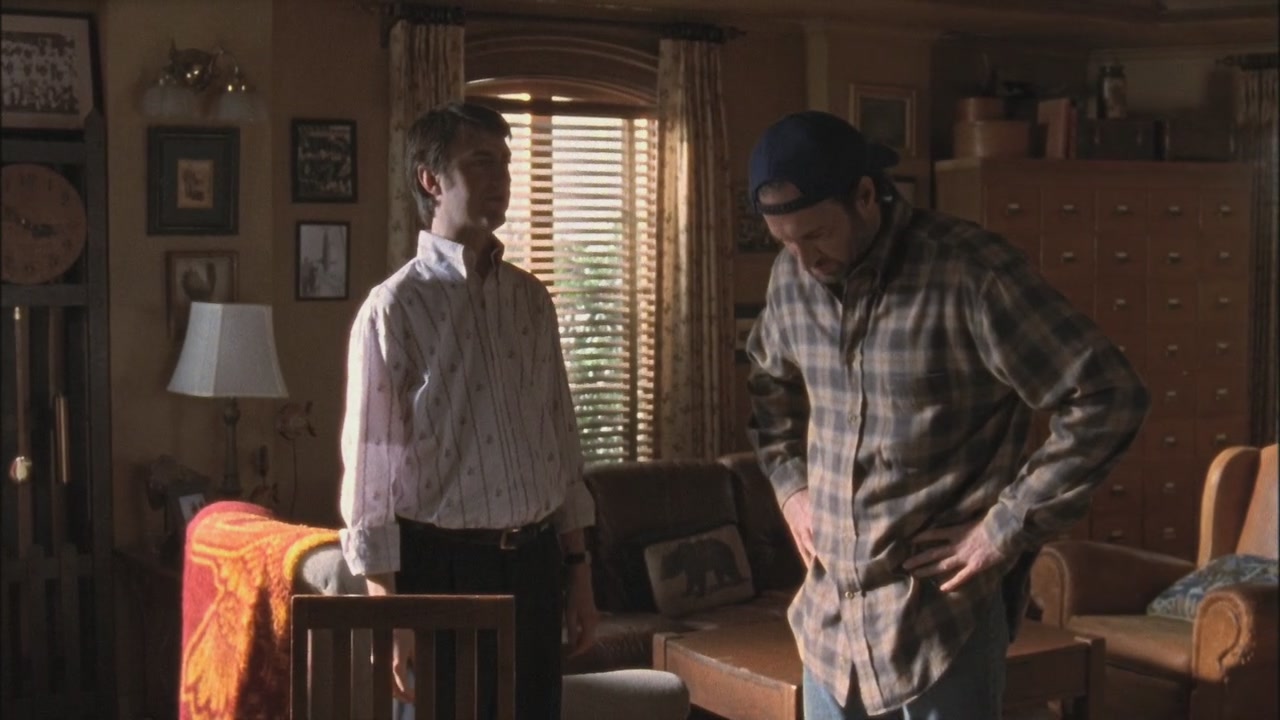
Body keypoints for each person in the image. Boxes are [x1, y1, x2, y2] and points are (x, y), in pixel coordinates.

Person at [743, 111, 1150, 720]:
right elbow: (766, 385)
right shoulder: (790, 281)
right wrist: (790, 486)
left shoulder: (971, 274)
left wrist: (1005, 526)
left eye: (817, 235)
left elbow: (1108, 396)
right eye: (785, 241)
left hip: (939, 622)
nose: (803, 259)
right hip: (829, 627)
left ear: (864, 195)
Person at [339, 101, 598, 720]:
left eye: (505, 162)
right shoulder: (394, 308)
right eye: (481, 162)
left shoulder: (531, 301)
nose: (501, 177)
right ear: (431, 179)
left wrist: (579, 572)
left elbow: (560, 445)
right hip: (442, 570)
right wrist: (389, 613)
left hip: (535, 567)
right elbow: (370, 481)